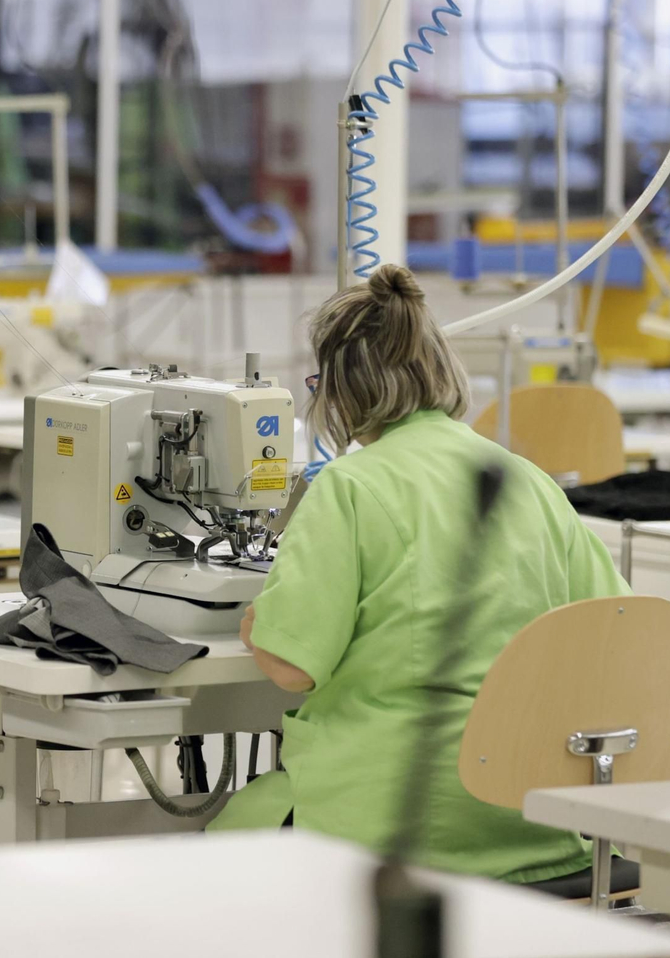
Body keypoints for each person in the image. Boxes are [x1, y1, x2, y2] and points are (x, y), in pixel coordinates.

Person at [209, 264, 629, 885]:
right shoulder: (529, 481)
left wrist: (256, 626)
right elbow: (613, 637)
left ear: (341, 389)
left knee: (218, 842)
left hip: (393, 825)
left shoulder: (349, 487)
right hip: (534, 821)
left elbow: (292, 666)